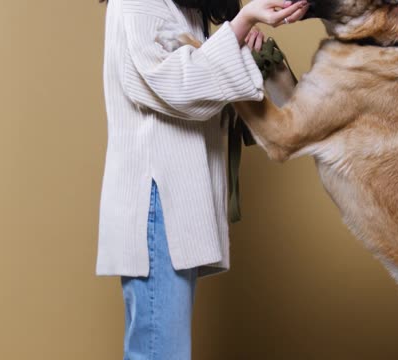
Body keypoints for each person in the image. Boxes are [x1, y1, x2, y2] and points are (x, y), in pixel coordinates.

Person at [95, 0, 308, 359]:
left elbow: (199, 79)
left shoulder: (182, 8)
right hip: (157, 203)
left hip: (169, 205)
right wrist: (241, 24)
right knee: (159, 352)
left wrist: (240, 41)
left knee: (159, 349)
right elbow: (176, 86)